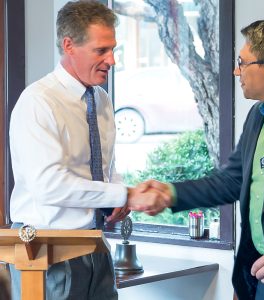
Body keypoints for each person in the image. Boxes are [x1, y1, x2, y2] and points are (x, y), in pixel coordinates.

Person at [129, 19, 264, 300]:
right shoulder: (258, 117)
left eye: (243, 62)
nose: (236, 71)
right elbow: (232, 180)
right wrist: (169, 193)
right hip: (261, 280)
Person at [8, 1, 164, 299]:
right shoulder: (38, 102)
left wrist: (116, 196)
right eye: (101, 50)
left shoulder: (102, 100)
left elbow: (107, 167)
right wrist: (125, 194)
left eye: (113, 49)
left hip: (95, 246)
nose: (112, 60)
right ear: (69, 45)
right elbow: (49, 187)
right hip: (47, 252)